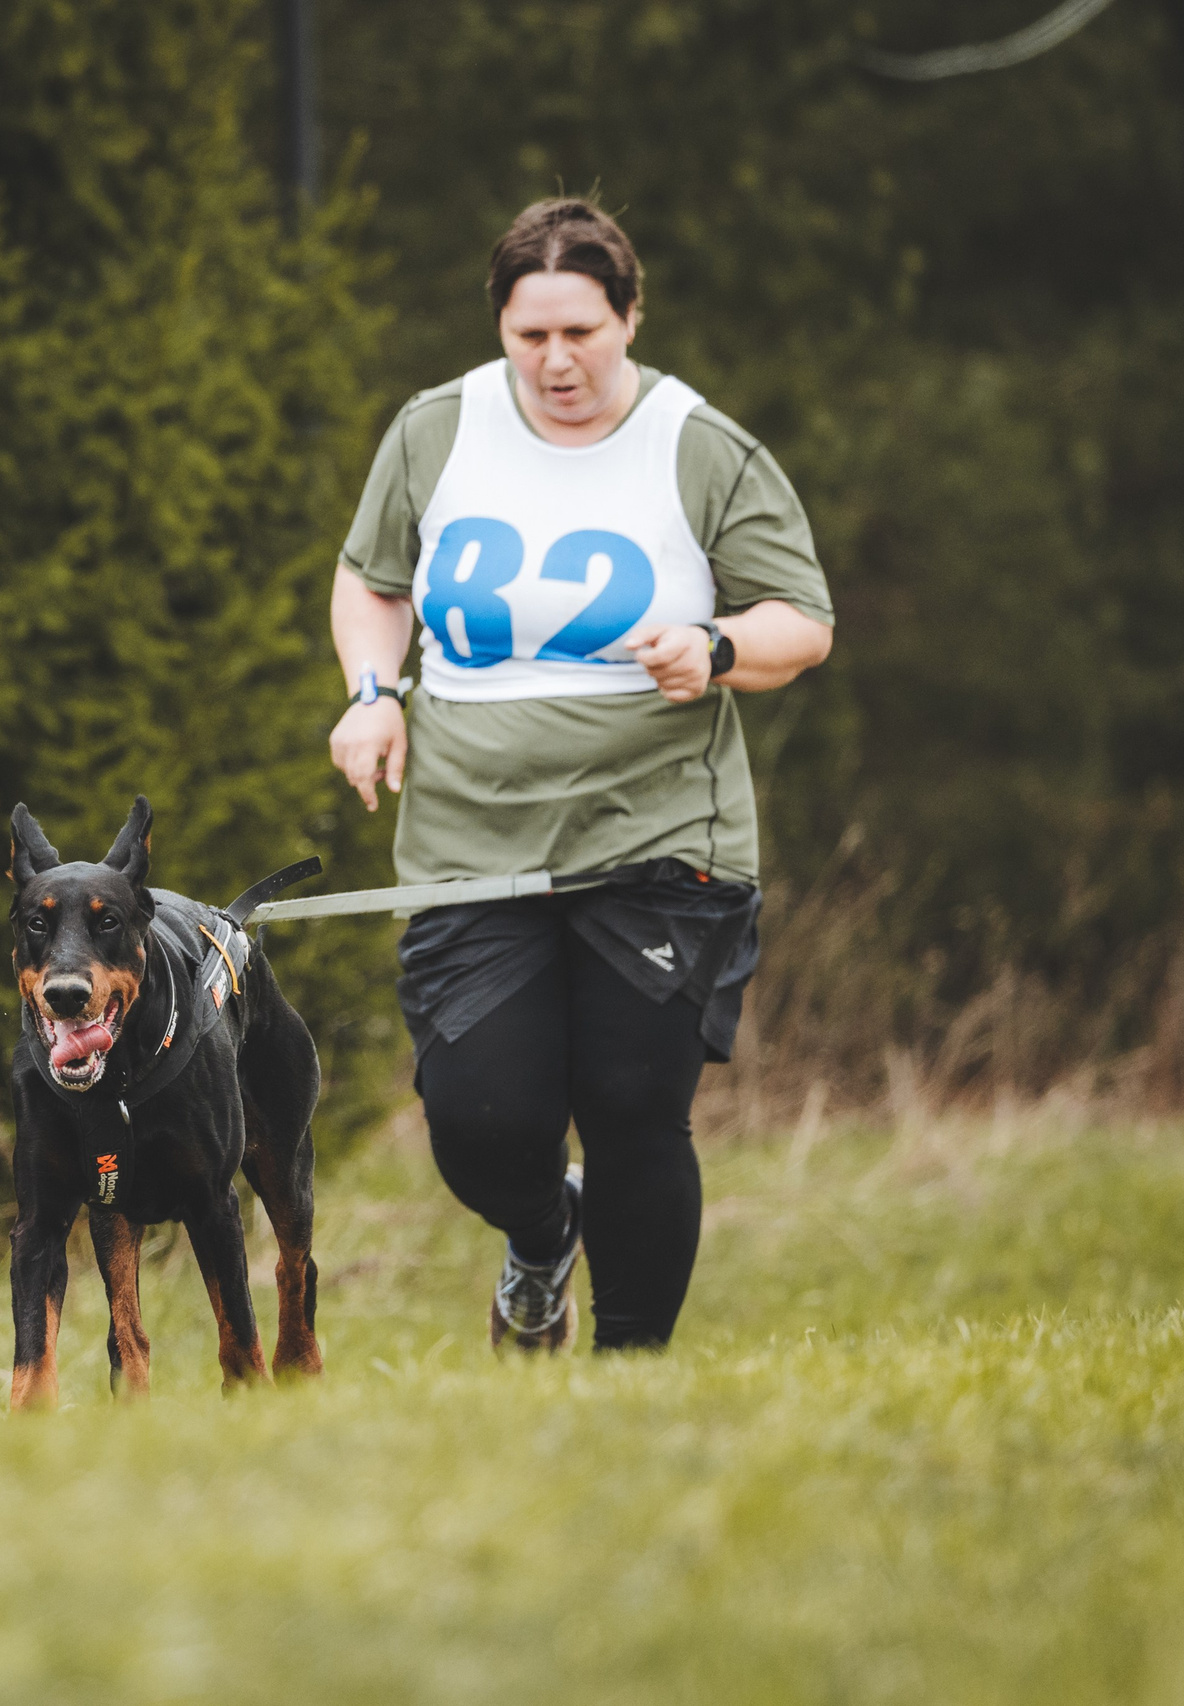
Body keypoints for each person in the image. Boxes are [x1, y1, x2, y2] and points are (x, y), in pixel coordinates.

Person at [329, 198, 834, 1352]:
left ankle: (629, 1375)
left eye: (582, 332)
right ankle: (540, 1234)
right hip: (470, 840)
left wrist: (712, 648)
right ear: (500, 329)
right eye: (529, 336)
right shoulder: (436, 427)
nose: (556, 362)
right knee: (479, 1118)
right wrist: (371, 695)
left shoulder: (698, 446)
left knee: (631, 1109)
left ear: (630, 317)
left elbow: (799, 622)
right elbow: (372, 579)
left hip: (659, 836)